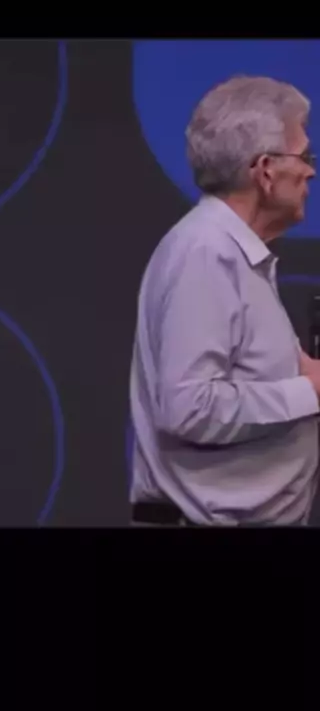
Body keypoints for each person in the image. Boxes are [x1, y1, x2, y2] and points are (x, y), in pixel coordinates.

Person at [129, 74, 320, 526]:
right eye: (304, 156)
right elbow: (190, 407)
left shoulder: (234, 255)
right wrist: (309, 391)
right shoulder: (205, 253)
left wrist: (306, 374)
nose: (311, 171)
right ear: (265, 170)